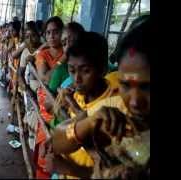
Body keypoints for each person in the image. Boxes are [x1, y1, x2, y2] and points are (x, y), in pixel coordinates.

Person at [51, 16, 150, 179]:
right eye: (125, 85)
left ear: (102, 70)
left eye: (147, 87)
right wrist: (88, 123)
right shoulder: (117, 108)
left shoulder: (115, 97)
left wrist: (72, 169)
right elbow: (58, 139)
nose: (134, 101)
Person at [34, 16, 64, 179]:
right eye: (48, 33)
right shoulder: (43, 55)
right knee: (45, 147)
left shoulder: (69, 53)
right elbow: (45, 78)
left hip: (65, 105)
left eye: (56, 32)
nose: (52, 36)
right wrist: (62, 61)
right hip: (47, 106)